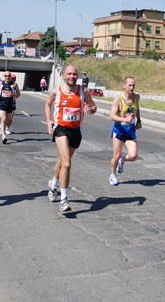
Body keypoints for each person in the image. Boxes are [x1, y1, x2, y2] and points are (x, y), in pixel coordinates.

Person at [44, 65, 97, 213]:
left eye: (74, 74)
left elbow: (93, 107)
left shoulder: (83, 91)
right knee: (67, 163)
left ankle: (53, 184)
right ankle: (64, 200)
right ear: (64, 75)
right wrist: (49, 121)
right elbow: (48, 105)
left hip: (76, 130)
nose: (72, 76)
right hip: (61, 129)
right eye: (69, 74)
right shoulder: (57, 92)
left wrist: (91, 110)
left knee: (62, 162)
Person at [108, 77, 142, 186]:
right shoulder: (118, 99)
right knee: (116, 155)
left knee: (133, 156)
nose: (131, 88)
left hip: (130, 131)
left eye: (133, 85)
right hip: (119, 131)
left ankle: (122, 160)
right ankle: (113, 175)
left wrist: (139, 120)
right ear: (124, 85)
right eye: (129, 85)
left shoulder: (136, 97)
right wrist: (124, 119)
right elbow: (112, 116)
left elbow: (137, 108)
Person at [0, 72, 20, 144]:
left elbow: (18, 94)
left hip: (10, 104)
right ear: (4, 76)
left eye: (9, 76)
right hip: (2, 103)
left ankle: (1, 126)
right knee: (3, 119)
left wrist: (13, 94)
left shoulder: (14, 84)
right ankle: (3, 136)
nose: (7, 77)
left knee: (8, 120)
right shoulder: (1, 83)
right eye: (6, 76)